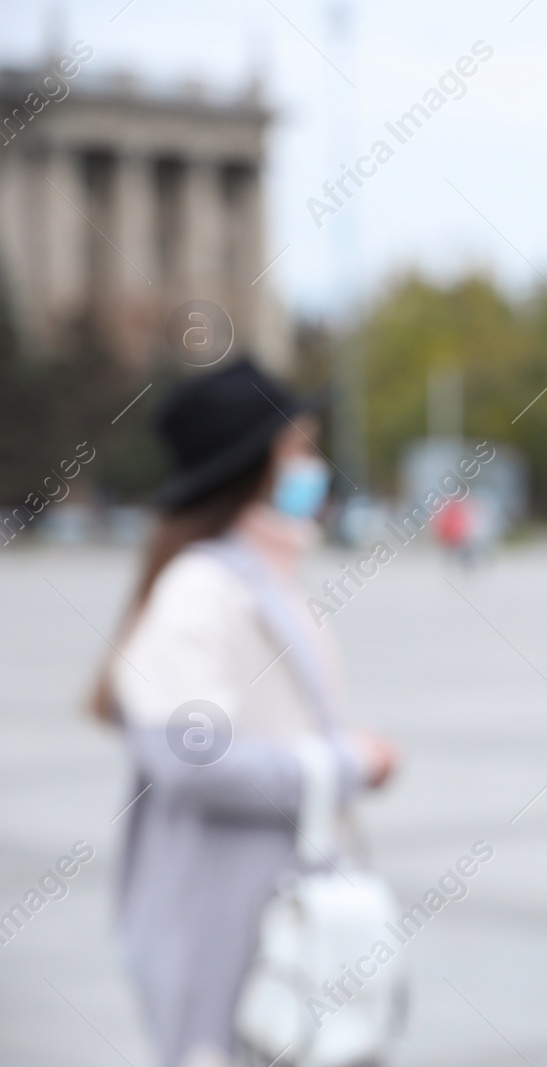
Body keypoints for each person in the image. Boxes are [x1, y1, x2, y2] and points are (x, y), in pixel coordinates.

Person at [92, 359, 399, 1067]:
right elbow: (187, 758)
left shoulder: (264, 574)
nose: (314, 467)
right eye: (301, 448)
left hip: (278, 928)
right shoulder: (204, 586)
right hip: (222, 934)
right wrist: (346, 763)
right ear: (256, 465)